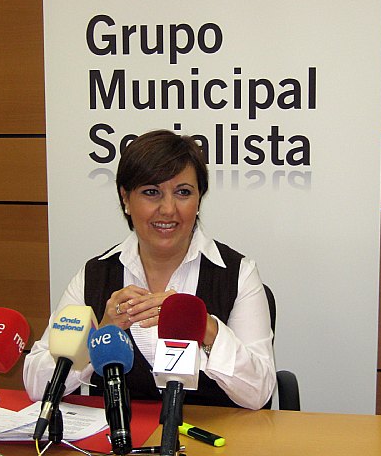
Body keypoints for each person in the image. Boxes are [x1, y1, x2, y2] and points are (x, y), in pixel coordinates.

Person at [23, 129, 276, 409]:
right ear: (126, 199)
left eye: (183, 192)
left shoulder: (238, 274)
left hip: (213, 433)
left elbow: (259, 392)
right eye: (151, 192)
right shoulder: (95, 276)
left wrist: (205, 328)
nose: (168, 209)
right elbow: (36, 384)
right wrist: (100, 333)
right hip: (120, 433)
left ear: (199, 199)